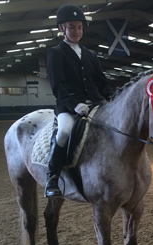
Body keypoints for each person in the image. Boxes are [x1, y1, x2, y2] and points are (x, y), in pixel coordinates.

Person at [45, 4, 114, 197]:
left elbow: (101, 82)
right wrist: (75, 105)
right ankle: (52, 176)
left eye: (79, 27)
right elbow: (58, 86)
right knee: (64, 131)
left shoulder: (90, 54)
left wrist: (113, 99)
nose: (76, 31)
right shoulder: (55, 53)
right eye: (72, 27)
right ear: (62, 28)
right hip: (69, 106)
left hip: (95, 103)